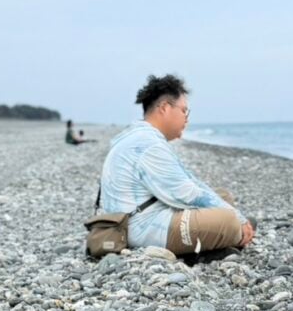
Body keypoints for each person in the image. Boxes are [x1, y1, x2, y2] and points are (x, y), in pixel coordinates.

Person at [99, 74, 254, 257]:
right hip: (141, 227)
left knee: (223, 197)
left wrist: (229, 209)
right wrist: (239, 218)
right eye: (184, 111)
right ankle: (209, 247)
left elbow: (189, 180)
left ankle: (215, 241)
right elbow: (187, 193)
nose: (186, 119)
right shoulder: (148, 144)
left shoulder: (140, 135)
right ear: (164, 108)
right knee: (229, 222)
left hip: (139, 216)